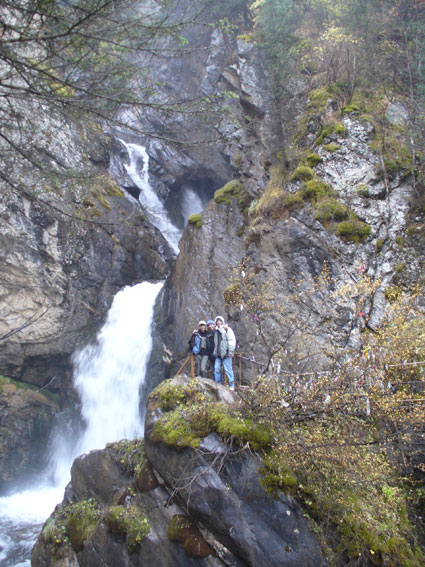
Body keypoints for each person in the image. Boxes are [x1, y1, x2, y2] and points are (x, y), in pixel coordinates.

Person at [213, 316, 236, 390]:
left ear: (222, 322)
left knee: (228, 370)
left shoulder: (227, 329)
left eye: (220, 321)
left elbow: (232, 340)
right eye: (217, 321)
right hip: (218, 354)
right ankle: (219, 383)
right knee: (216, 369)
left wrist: (231, 351)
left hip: (226, 353)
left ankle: (231, 385)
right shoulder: (216, 331)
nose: (218, 322)